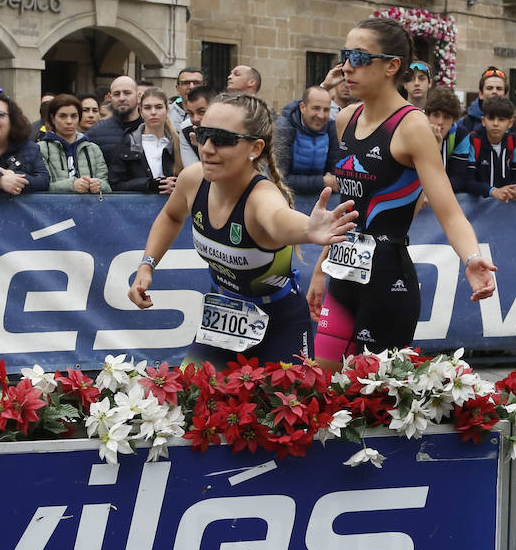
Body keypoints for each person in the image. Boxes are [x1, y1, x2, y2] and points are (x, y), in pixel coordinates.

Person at [307, 18, 497, 366]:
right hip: (342, 275)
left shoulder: (412, 127)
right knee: (323, 389)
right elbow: (348, 210)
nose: (347, 66)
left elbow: (449, 210)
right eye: (346, 55)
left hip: (387, 281)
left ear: (392, 66)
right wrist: (321, 270)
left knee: (371, 405)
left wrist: (471, 259)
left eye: (361, 57)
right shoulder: (345, 118)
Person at [129, 92, 356, 366]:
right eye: (203, 135)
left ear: (255, 148)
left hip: (280, 324)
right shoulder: (193, 179)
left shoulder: (261, 196)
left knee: (289, 407)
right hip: (222, 316)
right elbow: (171, 216)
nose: (208, 148)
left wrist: (308, 228)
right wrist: (147, 265)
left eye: (223, 140)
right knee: (192, 402)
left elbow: (278, 219)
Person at [450, 94, 516, 201]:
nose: (495, 123)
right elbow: (467, 181)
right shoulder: (473, 141)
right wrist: (493, 191)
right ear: (483, 121)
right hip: (476, 208)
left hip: (506, 205)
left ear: (510, 123)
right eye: (491, 118)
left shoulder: (514, 142)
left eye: (501, 119)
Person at [110, 86, 180, 194]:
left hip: (175, 206)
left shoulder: (178, 142)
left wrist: (178, 185)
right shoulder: (129, 142)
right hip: (139, 207)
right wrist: (149, 184)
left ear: (167, 110)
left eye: (158, 107)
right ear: (141, 111)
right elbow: (116, 184)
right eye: (147, 108)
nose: (153, 112)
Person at [38, 94, 111, 195]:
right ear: (53, 118)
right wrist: (72, 185)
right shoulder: (41, 148)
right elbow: (42, 187)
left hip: (90, 209)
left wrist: (99, 185)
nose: (69, 121)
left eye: (74, 116)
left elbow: (107, 186)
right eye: (63, 116)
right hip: (54, 209)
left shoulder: (93, 149)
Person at [274, 85, 340, 195]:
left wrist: (327, 182)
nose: (321, 115)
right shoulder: (283, 127)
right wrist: (322, 182)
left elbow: (335, 179)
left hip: (322, 197)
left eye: (326, 110)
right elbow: (277, 178)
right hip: (287, 197)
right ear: (303, 108)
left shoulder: (332, 128)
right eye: (316, 108)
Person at [87, 75, 143, 176]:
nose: (122, 98)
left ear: (138, 96)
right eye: (116, 94)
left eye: (127, 93)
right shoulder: (95, 133)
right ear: (109, 98)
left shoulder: (151, 130)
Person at [454, 66, 509, 138]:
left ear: (505, 95)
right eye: (489, 88)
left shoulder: (515, 126)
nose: (494, 92)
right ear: (481, 94)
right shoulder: (463, 124)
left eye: (499, 88)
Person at [423, 86, 461, 166]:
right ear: (427, 116)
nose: (440, 122)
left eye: (446, 117)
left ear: (454, 120)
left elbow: (457, 175)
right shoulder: (415, 134)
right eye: (436, 115)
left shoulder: (462, 135)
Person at [177, 85, 211, 167]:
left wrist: (202, 144)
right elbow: (193, 170)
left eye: (201, 112)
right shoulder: (186, 128)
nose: (195, 119)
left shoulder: (229, 127)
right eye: (191, 114)